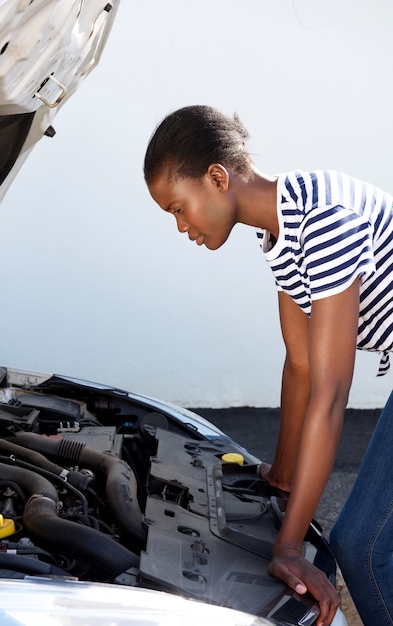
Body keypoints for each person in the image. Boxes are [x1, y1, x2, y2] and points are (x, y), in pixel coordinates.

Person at [143, 104, 393, 626]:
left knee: (363, 549)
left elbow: (329, 392)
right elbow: (299, 365)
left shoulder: (324, 222)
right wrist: (280, 476)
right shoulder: (280, 229)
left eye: (177, 208)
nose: (181, 225)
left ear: (217, 178)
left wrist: (289, 545)